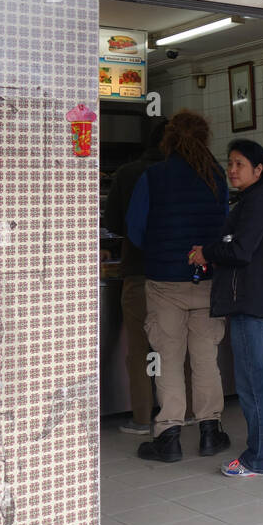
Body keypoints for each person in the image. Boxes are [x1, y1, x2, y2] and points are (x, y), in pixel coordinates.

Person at [126, 110, 230, 462]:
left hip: (165, 282)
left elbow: (136, 230)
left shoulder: (152, 176)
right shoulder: (217, 176)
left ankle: (169, 436)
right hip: (207, 280)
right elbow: (224, 227)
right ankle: (210, 432)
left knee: (167, 359)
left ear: (168, 138)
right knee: (205, 358)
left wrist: (161, 249)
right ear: (204, 139)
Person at [191, 139, 263, 478]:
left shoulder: (257, 203)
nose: (232, 170)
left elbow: (240, 250)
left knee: (250, 380)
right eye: (230, 163)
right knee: (257, 371)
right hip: (250, 297)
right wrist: (214, 248)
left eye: (239, 164)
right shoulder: (252, 200)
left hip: (250, 300)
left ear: (258, 170)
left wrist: (207, 253)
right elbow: (236, 246)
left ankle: (258, 458)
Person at [102, 119, 166, 434]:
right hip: (180, 275)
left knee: (139, 348)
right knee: (176, 348)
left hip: (138, 270)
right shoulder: (187, 175)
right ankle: (185, 413)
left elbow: (113, 222)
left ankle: (142, 419)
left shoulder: (127, 173)